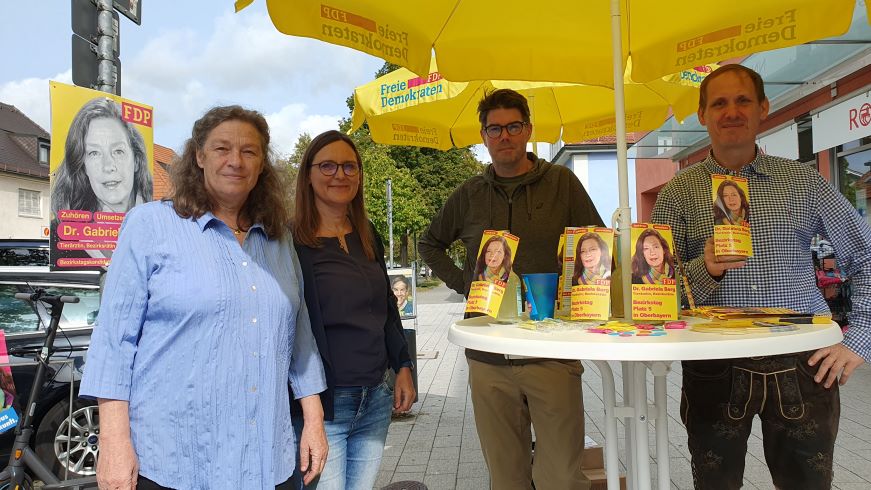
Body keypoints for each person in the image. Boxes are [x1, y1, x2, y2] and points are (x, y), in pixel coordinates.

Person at [79, 106, 328, 490]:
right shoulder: (150, 226)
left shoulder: (278, 240)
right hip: (175, 463)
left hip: (266, 460)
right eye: (221, 148)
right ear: (198, 156)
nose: (235, 161)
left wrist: (313, 422)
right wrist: (113, 443)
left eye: (249, 151)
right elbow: (114, 343)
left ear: (262, 164)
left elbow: (300, 338)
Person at [651, 64, 871, 490]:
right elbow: (652, 288)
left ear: (763, 108)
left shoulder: (803, 181)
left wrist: (858, 338)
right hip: (714, 362)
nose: (731, 111)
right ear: (703, 115)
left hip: (804, 362)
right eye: (719, 103)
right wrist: (705, 268)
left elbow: (864, 256)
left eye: (742, 100)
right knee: (714, 484)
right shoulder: (679, 192)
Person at [419, 88, 602, 490]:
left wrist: (582, 291)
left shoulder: (562, 183)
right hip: (488, 358)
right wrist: (465, 286)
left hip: (551, 353)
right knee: (505, 478)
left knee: (561, 478)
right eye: (495, 128)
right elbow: (429, 243)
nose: (504, 136)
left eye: (513, 126)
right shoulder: (469, 194)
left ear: (528, 130)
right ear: (483, 135)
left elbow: (597, 242)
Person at [291, 130, 416, 490]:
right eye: (327, 165)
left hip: (375, 398)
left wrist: (403, 365)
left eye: (349, 166)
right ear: (309, 175)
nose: (339, 175)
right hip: (325, 405)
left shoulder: (366, 233)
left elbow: (387, 308)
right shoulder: (292, 241)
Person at [51, 97, 152, 216]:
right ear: (84, 166)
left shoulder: (157, 219)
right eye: (94, 153)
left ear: (136, 160)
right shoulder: (64, 228)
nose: (108, 166)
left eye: (118, 151)